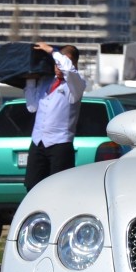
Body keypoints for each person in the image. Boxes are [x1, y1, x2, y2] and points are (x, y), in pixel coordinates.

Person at [23, 42, 87, 190]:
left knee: (58, 188)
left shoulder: (76, 85)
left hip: (60, 144)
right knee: (32, 186)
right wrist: (30, 80)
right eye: (55, 63)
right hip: (38, 142)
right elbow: (32, 107)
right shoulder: (46, 81)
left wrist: (53, 51)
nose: (58, 67)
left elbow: (69, 70)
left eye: (61, 63)